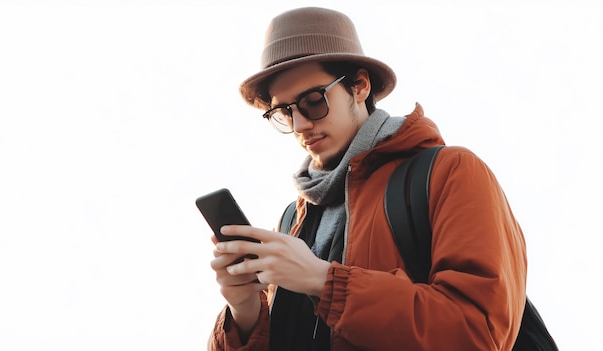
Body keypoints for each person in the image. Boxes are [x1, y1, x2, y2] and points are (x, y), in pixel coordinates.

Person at [208, 7, 526, 351]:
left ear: (359, 86)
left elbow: (478, 333)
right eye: (284, 111)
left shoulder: (450, 173)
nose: (299, 125)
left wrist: (323, 281)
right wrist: (245, 312)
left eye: (313, 102)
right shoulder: (292, 220)